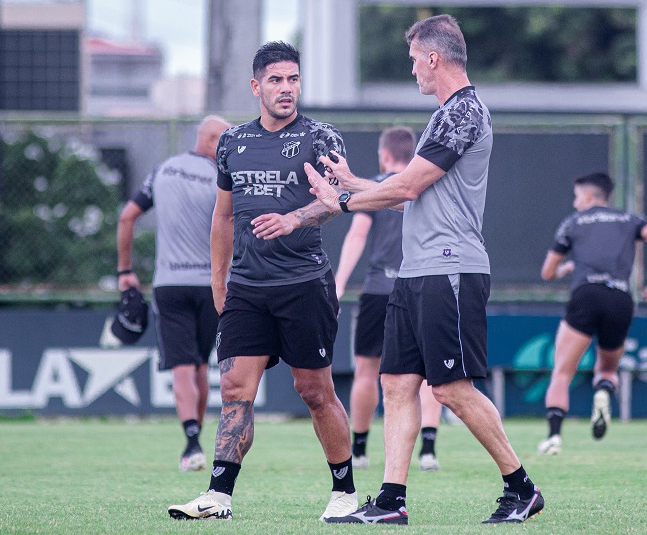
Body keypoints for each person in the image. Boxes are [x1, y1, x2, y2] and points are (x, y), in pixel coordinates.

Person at [253, 15, 543, 525]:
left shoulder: (463, 112)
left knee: (451, 387)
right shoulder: (445, 115)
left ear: (434, 58)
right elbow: (410, 190)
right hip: (416, 272)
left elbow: (407, 189)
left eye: (414, 60)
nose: (413, 70)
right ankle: (391, 500)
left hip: (449, 268)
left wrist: (342, 199)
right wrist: (354, 182)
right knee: (396, 383)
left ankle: (521, 488)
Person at [167, 41, 357, 522]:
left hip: (304, 284)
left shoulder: (321, 137)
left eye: (293, 79)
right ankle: (217, 496)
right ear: (256, 87)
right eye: (276, 80)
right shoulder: (232, 142)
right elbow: (223, 216)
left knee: (314, 390)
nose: (287, 88)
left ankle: (345, 493)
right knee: (234, 388)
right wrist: (218, 279)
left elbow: (336, 199)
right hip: (247, 288)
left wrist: (293, 218)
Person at [116, 115, 231, 472]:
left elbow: (126, 217)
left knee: (182, 368)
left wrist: (125, 271)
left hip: (169, 284)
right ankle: (194, 443)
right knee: (200, 366)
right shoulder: (223, 178)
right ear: (213, 140)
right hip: (211, 285)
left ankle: (192, 443)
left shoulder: (163, 170)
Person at [333, 126, 444, 473]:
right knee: (428, 373)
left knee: (367, 370)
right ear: (412, 155)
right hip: (422, 286)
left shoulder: (377, 185)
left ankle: (361, 449)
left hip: (379, 289)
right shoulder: (423, 184)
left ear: (384, 155)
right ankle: (428, 449)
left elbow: (358, 235)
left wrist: (338, 284)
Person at [537, 172, 647, 455]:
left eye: (577, 197)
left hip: (586, 294)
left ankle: (554, 437)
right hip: (620, 297)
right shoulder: (630, 220)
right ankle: (603, 391)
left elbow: (547, 272)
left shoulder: (574, 222)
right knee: (608, 368)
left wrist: (565, 269)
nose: (575, 204)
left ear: (587, 197)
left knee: (562, 371)